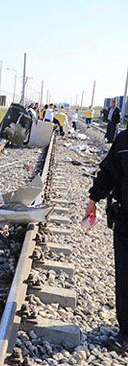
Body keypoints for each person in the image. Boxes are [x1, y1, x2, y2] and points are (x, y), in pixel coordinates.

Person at [84, 128, 128, 353]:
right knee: (124, 278)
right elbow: (108, 173)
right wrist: (93, 199)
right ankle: (126, 333)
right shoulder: (124, 139)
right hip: (125, 220)